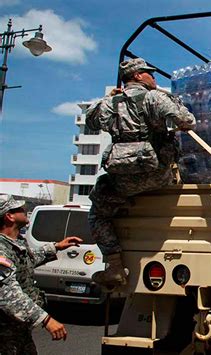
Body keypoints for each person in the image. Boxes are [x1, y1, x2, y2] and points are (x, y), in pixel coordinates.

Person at [86, 57, 196, 288]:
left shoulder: (110, 103)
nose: (153, 78)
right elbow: (187, 121)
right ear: (137, 76)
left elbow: (91, 120)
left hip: (123, 180)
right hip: (159, 175)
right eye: (149, 74)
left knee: (97, 213)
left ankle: (114, 266)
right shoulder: (155, 97)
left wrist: (109, 98)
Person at [0, 194, 83, 354]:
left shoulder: (15, 243)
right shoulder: (1, 249)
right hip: (4, 334)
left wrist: (56, 247)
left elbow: (26, 261)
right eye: (19, 208)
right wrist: (46, 320)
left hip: (18, 331)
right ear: (9, 216)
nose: (24, 210)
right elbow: (9, 295)